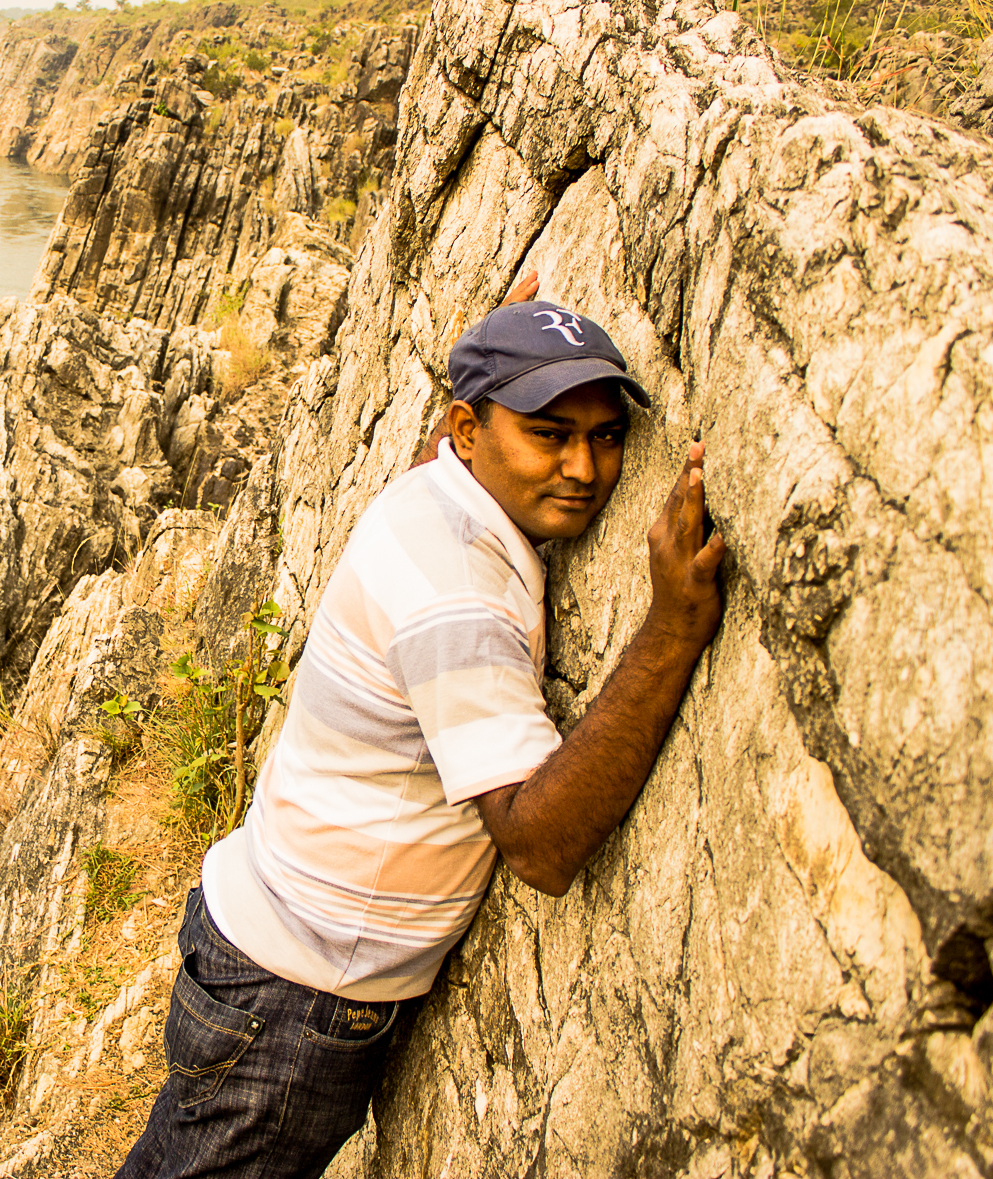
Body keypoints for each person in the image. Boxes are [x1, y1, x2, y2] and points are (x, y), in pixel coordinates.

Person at [114, 280, 727, 1179]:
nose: (586, 469)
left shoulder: (436, 484)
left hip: (259, 945)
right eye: (550, 434)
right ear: (471, 433)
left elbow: (444, 443)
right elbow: (540, 843)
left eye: (606, 436)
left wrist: (496, 345)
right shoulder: (457, 592)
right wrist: (672, 628)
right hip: (291, 995)